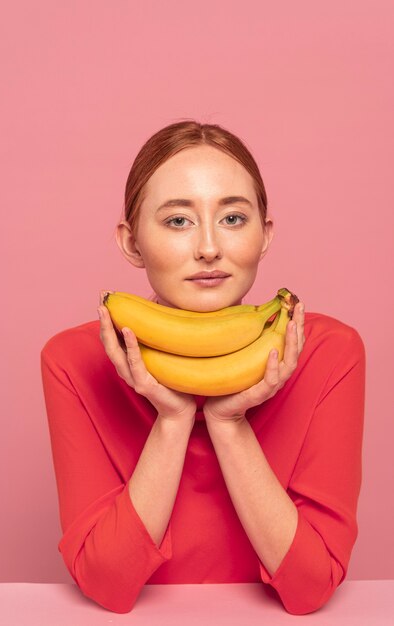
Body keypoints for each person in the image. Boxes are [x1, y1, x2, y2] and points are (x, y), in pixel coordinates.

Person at [40, 120, 366, 616]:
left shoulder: (328, 352)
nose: (209, 248)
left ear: (265, 234)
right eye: (177, 221)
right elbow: (106, 582)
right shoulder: (74, 362)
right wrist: (172, 421)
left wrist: (227, 422)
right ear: (131, 243)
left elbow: (312, 586)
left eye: (233, 218)